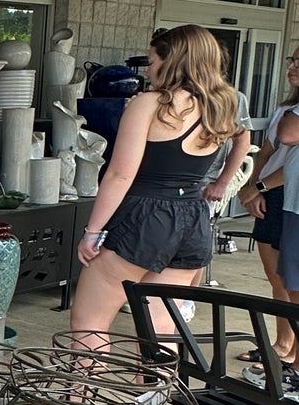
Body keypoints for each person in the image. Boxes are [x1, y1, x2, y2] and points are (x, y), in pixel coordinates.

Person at [71, 25, 245, 348]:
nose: (148, 71)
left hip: (146, 217)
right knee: (159, 331)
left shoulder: (150, 104)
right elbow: (242, 140)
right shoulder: (222, 105)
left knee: (88, 323)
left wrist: (92, 231)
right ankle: (151, 400)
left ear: (174, 61)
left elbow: (120, 175)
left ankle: (80, 399)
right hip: (194, 220)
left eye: (152, 62)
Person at [236, 46, 299, 366]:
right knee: (275, 275)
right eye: (291, 60)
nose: (292, 66)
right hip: (268, 192)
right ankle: (282, 344)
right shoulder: (286, 109)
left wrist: (260, 186)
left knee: (291, 279)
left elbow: (291, 161)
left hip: (287, 192)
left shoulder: (295, 118)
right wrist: (252, 187)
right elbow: (268, 151)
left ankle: (292, 351)